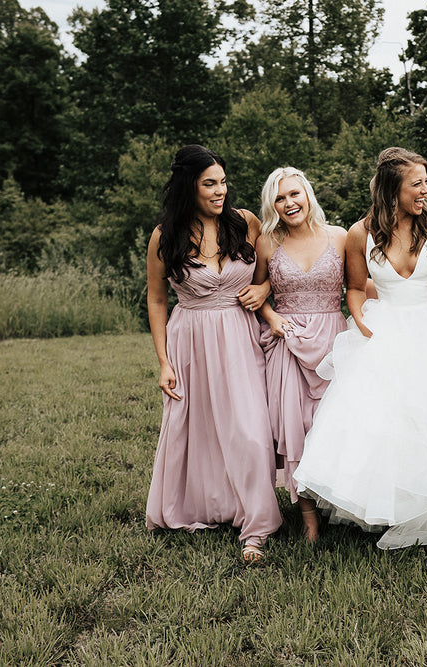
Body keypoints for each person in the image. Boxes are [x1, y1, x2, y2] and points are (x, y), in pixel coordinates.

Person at [293, 147, 427, 549]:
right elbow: (353, 288)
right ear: (392, 190)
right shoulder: (359, 233)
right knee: (387, 423)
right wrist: (362, 323)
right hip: (384, 327)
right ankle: (396, 505)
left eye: (425, 182)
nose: (425, 190)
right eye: (416, 183)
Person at [145, 144, 281, 564]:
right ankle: (208, 506)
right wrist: (164, 361)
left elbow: (271, 273)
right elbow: (155, 299)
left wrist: (264, 290)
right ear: (190, 186)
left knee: (251, 429)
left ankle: (256, 527)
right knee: (198, 428)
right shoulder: (165, 236)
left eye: (223, 181)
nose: (220, 191)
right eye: (210, 184)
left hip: (241, 336)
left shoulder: (246, 224)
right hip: (191, 339)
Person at [252, 167, 348, 543]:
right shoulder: (267, 242)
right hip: (288, 341)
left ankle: (340, 503)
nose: (289, 203)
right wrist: (272, 315)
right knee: (296, 428)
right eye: (280, 198)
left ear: (307, 195)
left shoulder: (339, 237)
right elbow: (257, 292)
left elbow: (358, 284)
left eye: (294, 194)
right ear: (272, 206)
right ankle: (308, 518)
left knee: (333, 424)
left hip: (332, 339)